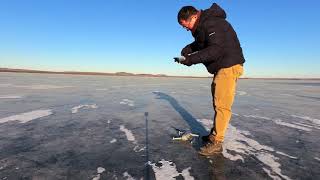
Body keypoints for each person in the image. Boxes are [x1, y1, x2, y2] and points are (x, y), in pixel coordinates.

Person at [176, 3, 245, 156]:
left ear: (193, 16)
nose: (185, 28)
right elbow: (202, 42)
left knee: (222, 105)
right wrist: (189, 49)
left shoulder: (212, 23)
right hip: (223, 67)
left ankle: (217, 141)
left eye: (185, 24)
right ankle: (215, 135)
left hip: (228, 65)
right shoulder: (204, 26)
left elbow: (215, 50)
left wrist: (190, 59)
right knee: (218, 102)